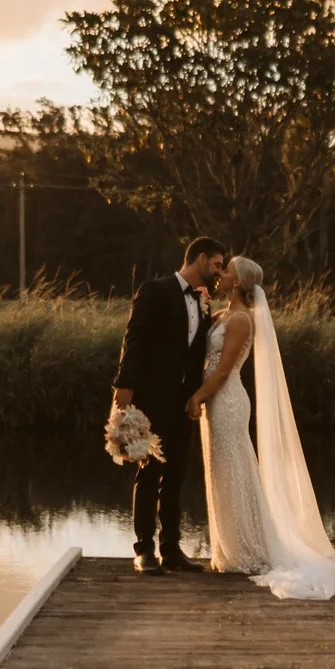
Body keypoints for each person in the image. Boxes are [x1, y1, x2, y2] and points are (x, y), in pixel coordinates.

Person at [181, 255, 335, 601]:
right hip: (214, 403)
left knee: (235, 470)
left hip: (227, 401)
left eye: (226, 271)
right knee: (220, 471)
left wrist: (197, 397)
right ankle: (229, 548)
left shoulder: (241, 321)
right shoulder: (222, 315)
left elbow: (223, 370)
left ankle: (248, 549)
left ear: (238, 282)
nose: (221, 274)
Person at [109, 237, 225, 573]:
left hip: (184, 402)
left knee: (176, 475)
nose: (220, 272)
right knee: (148, 472)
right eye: (217, 264)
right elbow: (134, 338)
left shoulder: (203, 301)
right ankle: (144, 550)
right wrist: (125, 384)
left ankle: (171, 549)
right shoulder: (154, 290)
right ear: (200, 259)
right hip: (151, 397)